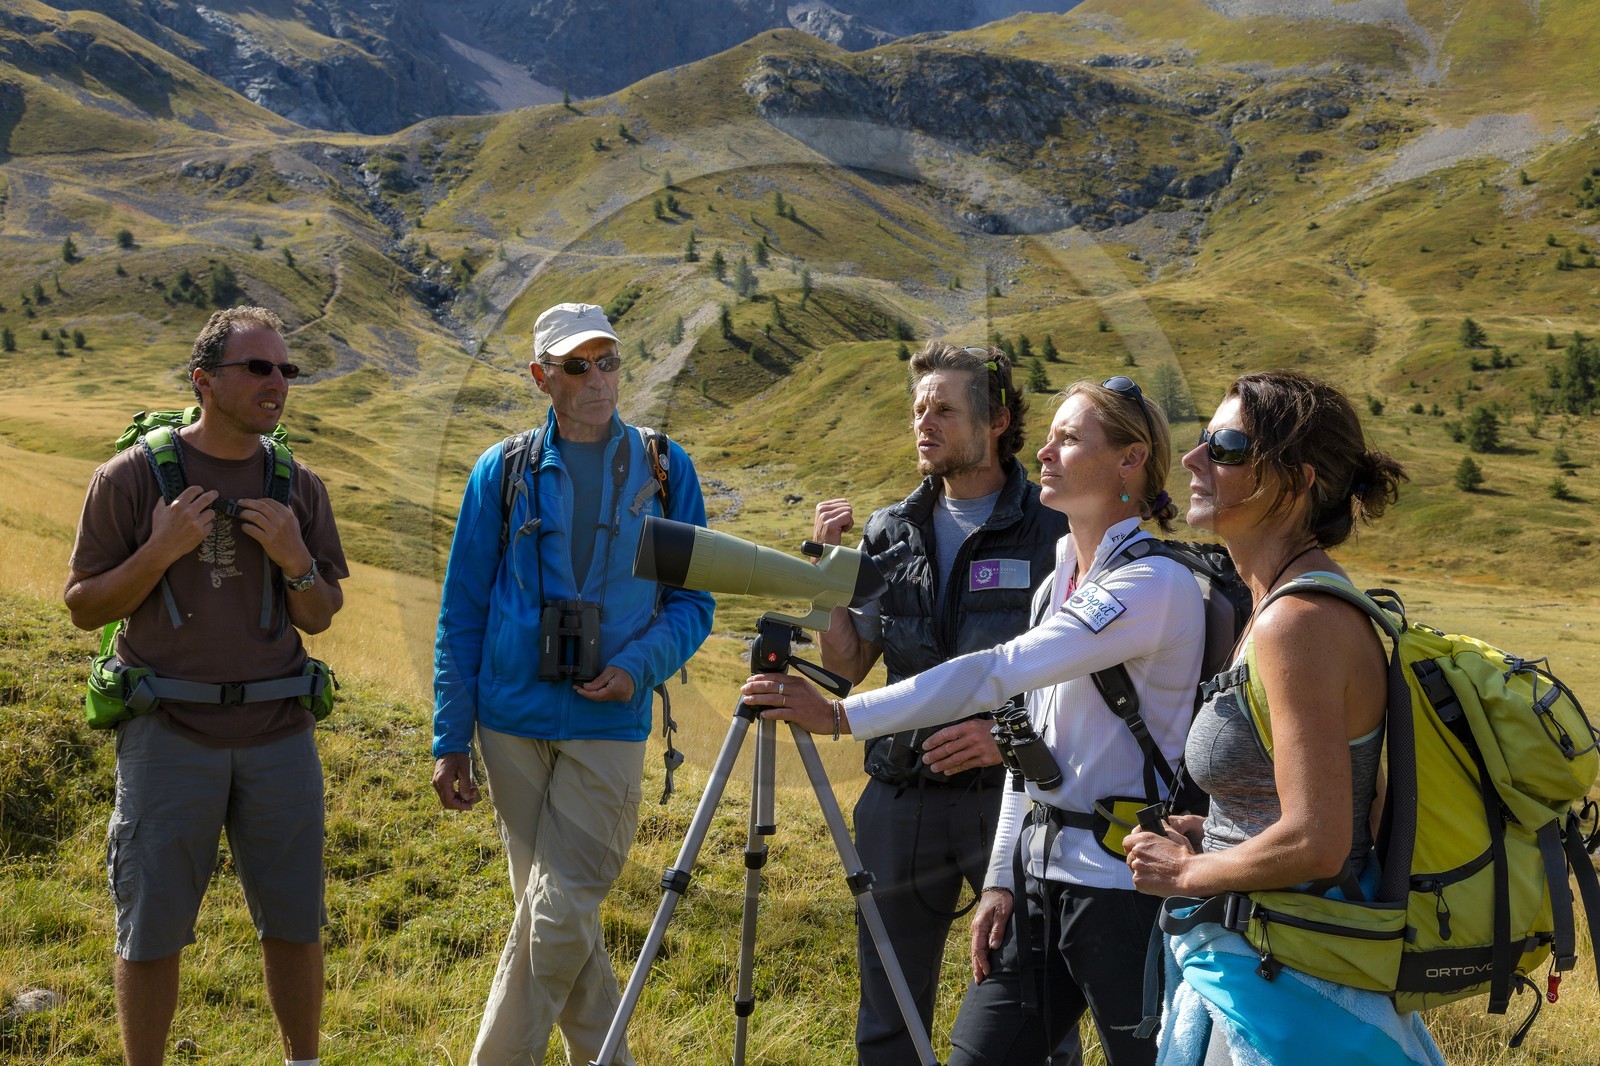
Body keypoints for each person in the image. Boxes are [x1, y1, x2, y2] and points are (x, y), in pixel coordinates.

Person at [749, 377, 1205, 1066]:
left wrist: (842, 716)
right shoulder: (1060, 583)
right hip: (1044, 886)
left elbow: (993, 673)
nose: (1045, 451)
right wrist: (1001, 879)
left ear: (1130, 461)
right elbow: (1028, 748)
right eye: (1048, 435)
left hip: (1122, 892)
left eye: (1069, 438)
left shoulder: (1153, 585)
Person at [1123, 370, 1443, 1065]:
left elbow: (1319, 843)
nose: (1193, 459)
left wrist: (1183, 875)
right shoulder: (1280, 608)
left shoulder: (1299, 622)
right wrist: (1214, 830)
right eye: (1204, 440)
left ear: (1295, 483)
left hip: (1290, 991)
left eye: (1227, 447)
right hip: (1268, 966)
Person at [431, 302, 714, 1066]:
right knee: (556, 926)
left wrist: (637, 668)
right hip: (510, 724)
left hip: (610, 721)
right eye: (577, 366)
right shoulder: (504, 469)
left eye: (609, 362)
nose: (598, 380)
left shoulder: (664, 467)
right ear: (541, 378)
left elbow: (695, 601)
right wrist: (448, 737)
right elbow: (461, 609)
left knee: (555, 919)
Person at [64, 307, 348, 1066]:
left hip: (280, 731)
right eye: (257, 368)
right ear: (203, 381)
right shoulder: (128, 479)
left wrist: (296, 560)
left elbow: (320, 615)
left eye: (285, 370)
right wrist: (158, 551)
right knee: (151, 923)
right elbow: (83, 605)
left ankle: (304, 1062)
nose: (277, 384)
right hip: (166, 734)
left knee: (295, 918)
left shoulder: (299, 486)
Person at [807, 341, 1072, 1066]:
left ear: (997, 420)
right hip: (899, 800)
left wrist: (1006, 736)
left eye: (944, 409)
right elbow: (849, 662)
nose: (925, 423)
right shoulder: (890, 530)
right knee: (888, 1009)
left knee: (1035, 1010)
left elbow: (1080, 676)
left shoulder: (1055, 530)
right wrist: (830, 575)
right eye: (919, 409)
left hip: (1011, 798)